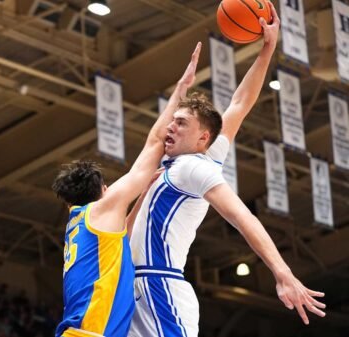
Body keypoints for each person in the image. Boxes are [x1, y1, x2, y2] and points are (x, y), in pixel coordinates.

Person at [126, 4, 325, 337]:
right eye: (172, 120)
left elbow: (242, 217)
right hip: (135, 286)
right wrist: (266, 50)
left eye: (180, 123)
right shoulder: (191, 157)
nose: (169, 127)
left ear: (203, 137)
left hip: (158, 286)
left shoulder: (193, 167)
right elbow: (239, 104)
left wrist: (282, 272)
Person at [51, 43, 202, 337]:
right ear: (104, 190)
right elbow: (155, 143)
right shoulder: (102, 209)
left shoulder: (80, 222)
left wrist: (144, 194)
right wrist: (181, 89)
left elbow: (124, 235)